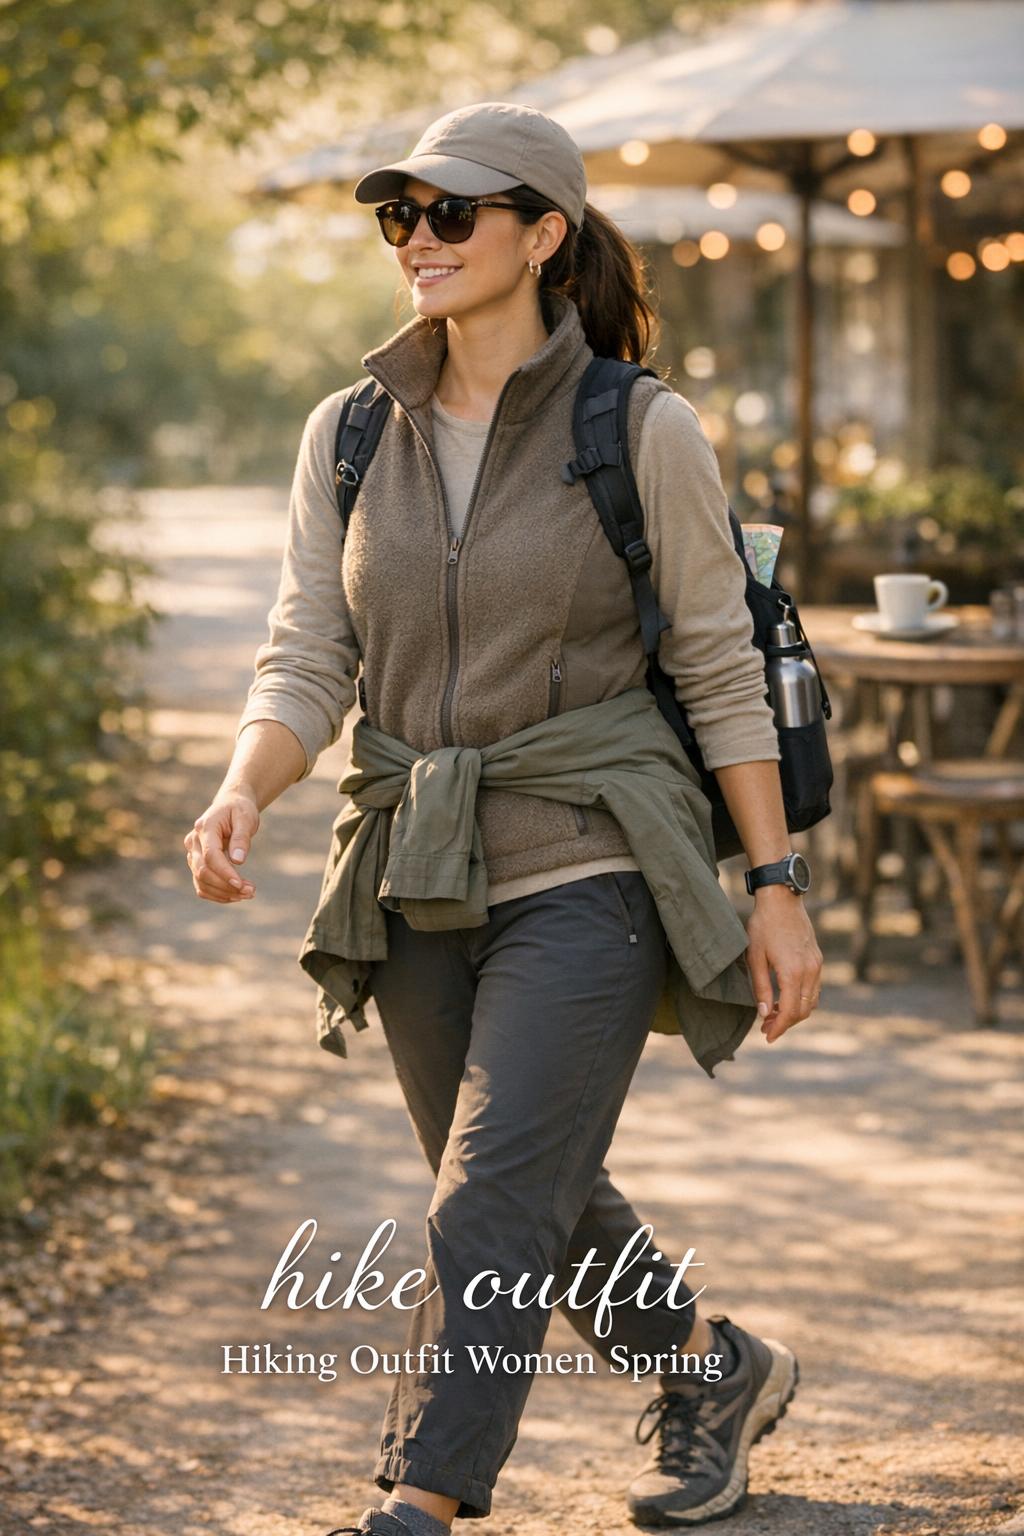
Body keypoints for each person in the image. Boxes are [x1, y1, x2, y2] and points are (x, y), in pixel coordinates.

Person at [183, 101, 823, 1534]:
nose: (418, 239)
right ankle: (712, 1373)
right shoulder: (350, 431)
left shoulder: (638, 428)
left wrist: (773, 883)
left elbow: (720, 666)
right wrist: (245, 787)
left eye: (453, 214)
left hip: (594, 851)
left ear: (545, 235)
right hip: (415, 859)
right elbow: (308, 651)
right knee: (529, 1186)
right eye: (400, 215)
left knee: (484, 1204)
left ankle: (422, 1497)